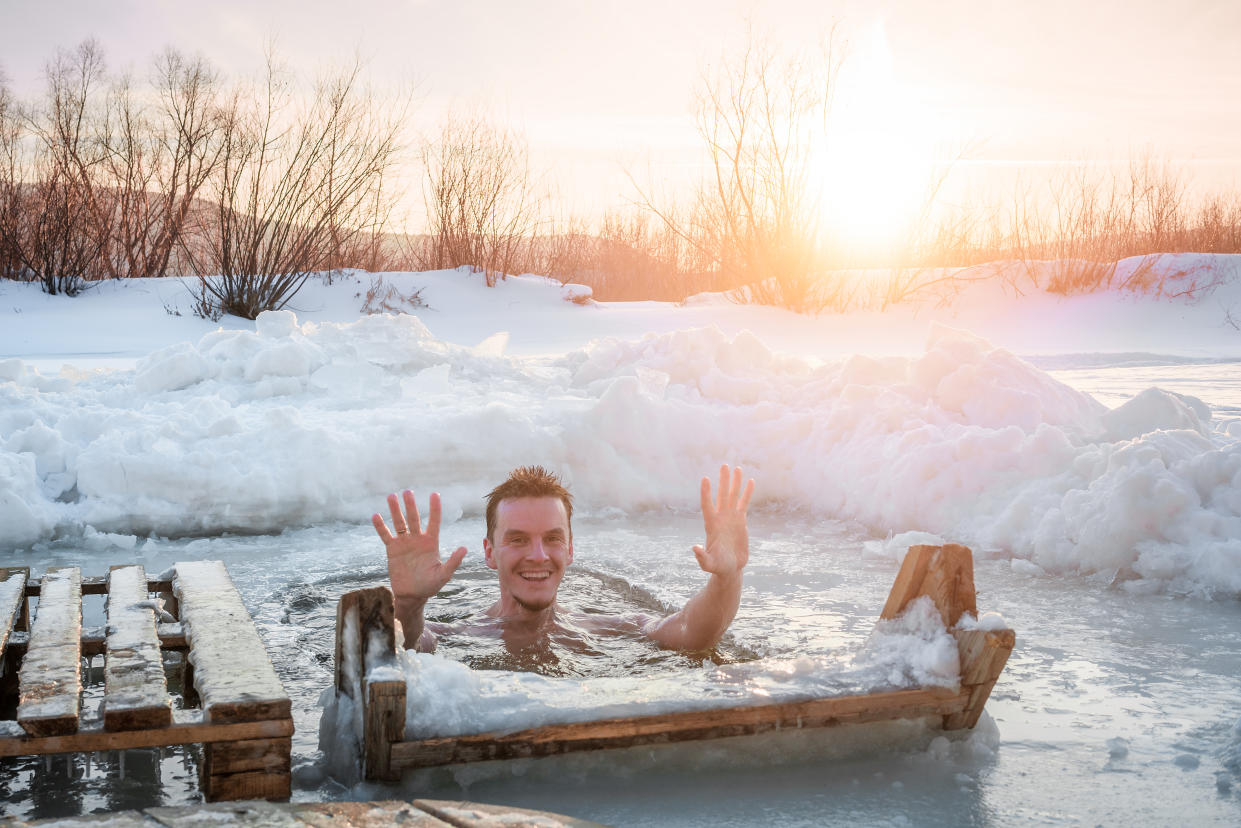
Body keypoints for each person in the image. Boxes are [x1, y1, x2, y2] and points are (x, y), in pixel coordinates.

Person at [371, 464, 755, 654]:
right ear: (489, 552)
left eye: (552, 539)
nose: (538, 555)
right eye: (518, 540)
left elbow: (693, 633)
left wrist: (728, 577)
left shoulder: (611, 629)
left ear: (570, 550)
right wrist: (408, 602)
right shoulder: (460, 637)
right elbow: (404, 647)